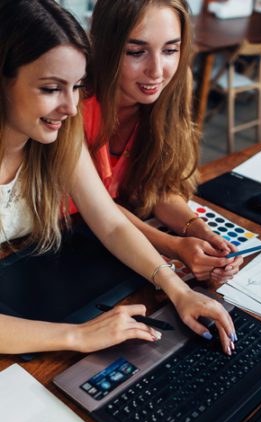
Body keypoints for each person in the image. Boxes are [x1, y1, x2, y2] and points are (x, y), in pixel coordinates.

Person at [0, 0, 236, 356]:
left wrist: (178, 289)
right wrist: (78, 336)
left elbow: (109, 223)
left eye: (77, 86)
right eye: (51, 89)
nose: (72, 107)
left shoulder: (60, 133)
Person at [83, 0, 243, 283]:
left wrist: (199, 231)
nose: (156, 70)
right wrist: (176, 247)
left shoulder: (168, 94)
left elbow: (159, 187)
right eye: (136, 52)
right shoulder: (75, 104)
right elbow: (91, 208)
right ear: (105, 48)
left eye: (170, 50)